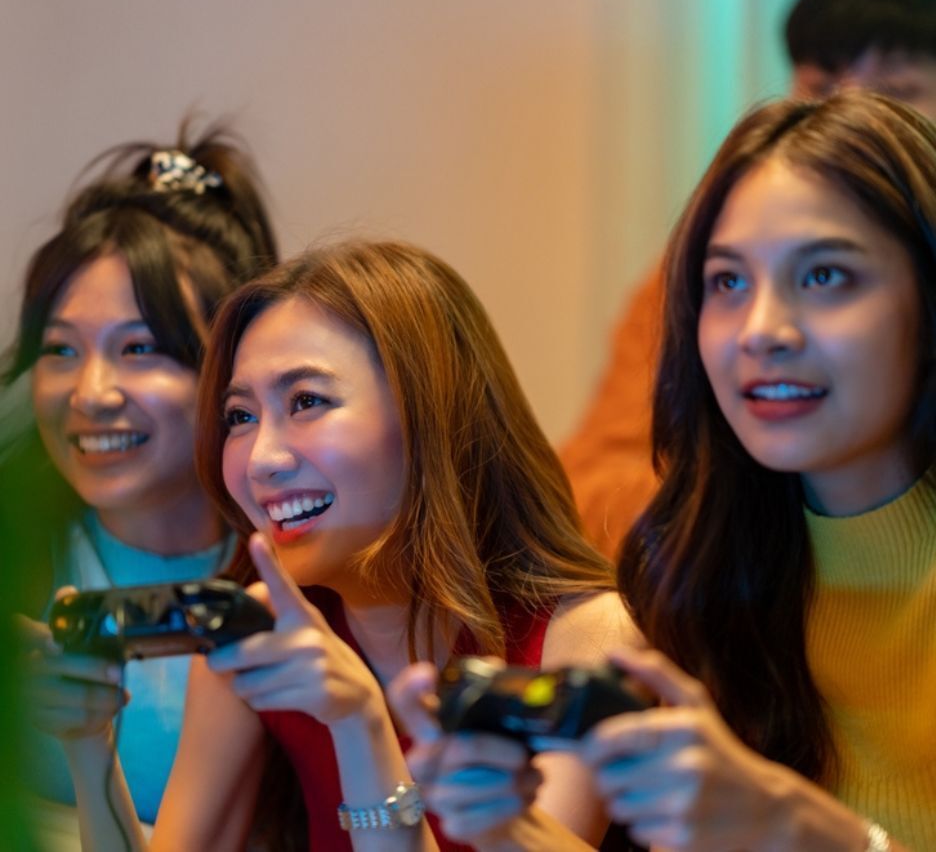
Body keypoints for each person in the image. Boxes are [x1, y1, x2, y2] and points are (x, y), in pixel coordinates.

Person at [394, 90, 936, 851]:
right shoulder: (687, 574)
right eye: (728, 282)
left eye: (824, 278)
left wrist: (800, 828)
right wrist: (504, 826)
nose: (761, 331)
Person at [62, 240, 629, 851]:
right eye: (240, 416)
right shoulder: (254, 642)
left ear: (431, 413)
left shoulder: (586, 640)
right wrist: (90, 750)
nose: (261, 460)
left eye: (307, 402)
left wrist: (362, 727)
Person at [561, 0, 936, 559]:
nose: (849, 121)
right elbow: (590, 490)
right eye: (821, 88)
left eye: (897, 94)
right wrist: (747, 491)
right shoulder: (687, 282)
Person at [2, 121, 278, 845]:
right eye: (60, 349)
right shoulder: (15, 555)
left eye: (140, 349)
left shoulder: (297, 579)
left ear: (227, 371)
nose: (91, 392)